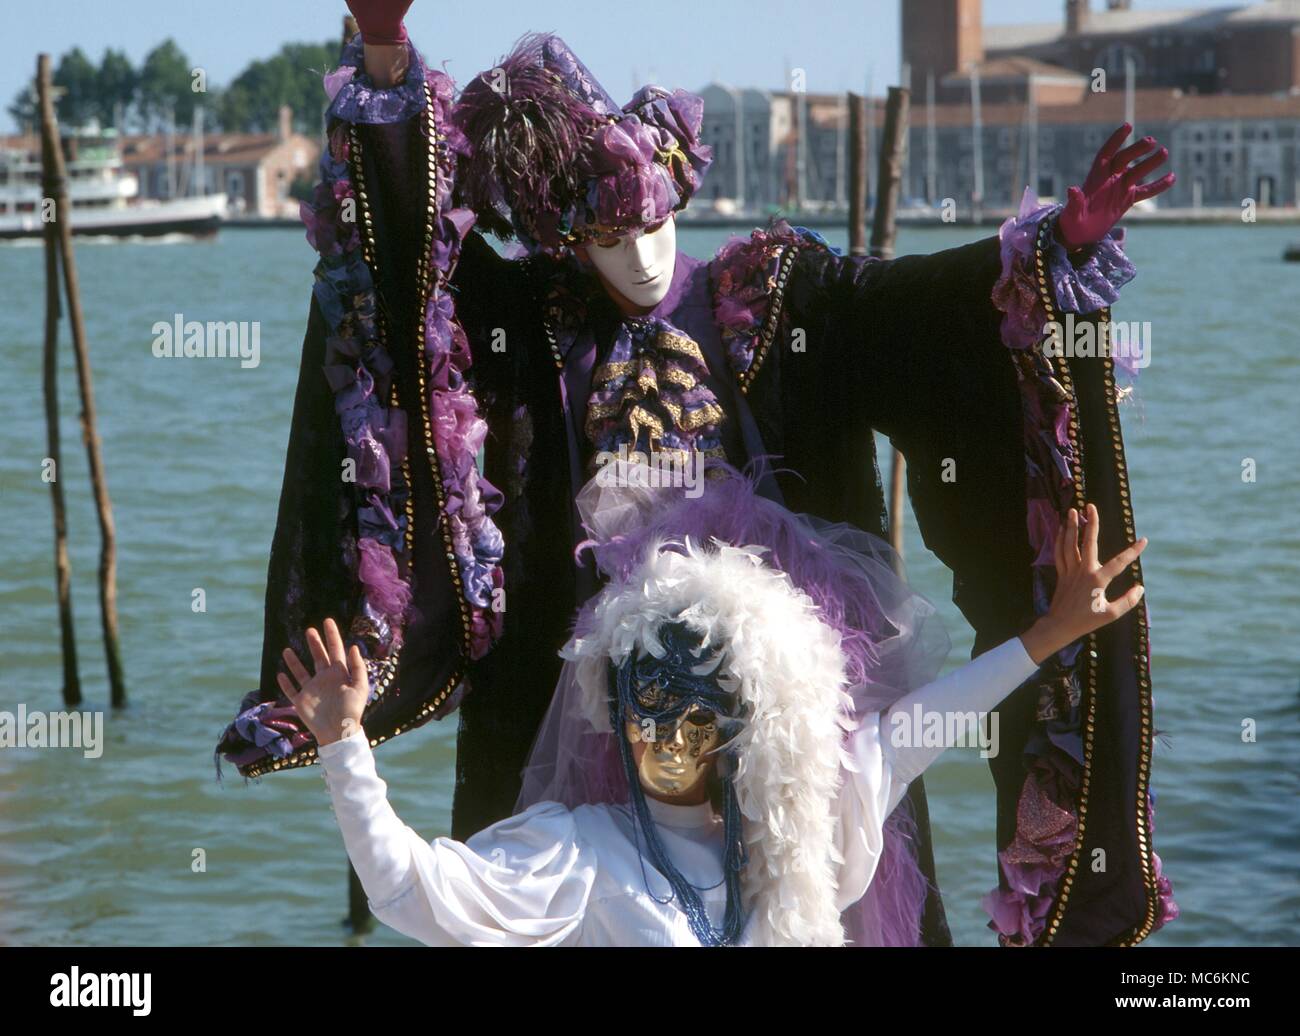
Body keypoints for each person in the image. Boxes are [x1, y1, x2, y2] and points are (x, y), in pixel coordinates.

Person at [217, 0, 1177, 945]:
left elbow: (918, 312)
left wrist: (1058, 246)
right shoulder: (531, 325)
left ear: (680, 195)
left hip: (789, 712)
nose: (636, 256)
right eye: (605, 238)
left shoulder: (776, 297)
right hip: (579, 710)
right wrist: (384, 59)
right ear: (568, 240)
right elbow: (405, 283)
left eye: (651, 223)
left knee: (820, 888)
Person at [282, 466, 1147, 946]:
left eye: (695, 712)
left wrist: (1047, 635)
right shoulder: (576, 856)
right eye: (646, 706)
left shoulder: (798, 830)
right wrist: (344, 745)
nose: (664, 733)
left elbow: (927, 724)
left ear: (741, 727)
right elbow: (406, 890)